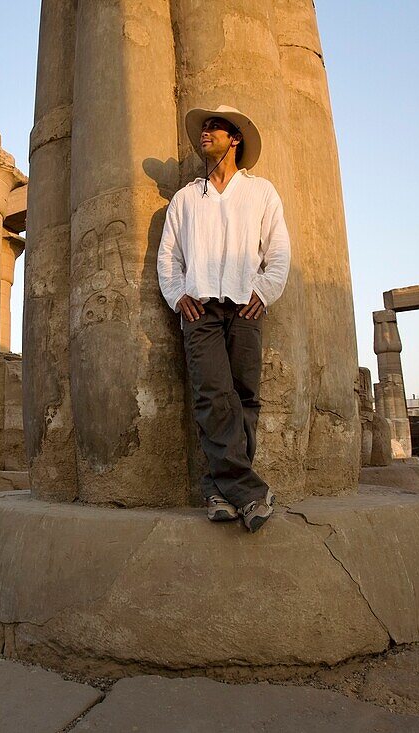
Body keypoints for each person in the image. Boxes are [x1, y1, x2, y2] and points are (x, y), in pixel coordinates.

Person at [156, 105, 291, 533]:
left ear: (235, 139)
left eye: (214, 127)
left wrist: (264, 291)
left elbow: (279, 252)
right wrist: (178, 296)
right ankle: (250, 494)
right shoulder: (185, 198)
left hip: (246, 306)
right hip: (201, 312)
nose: (205, 133)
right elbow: (168, 258)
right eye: (204, 128)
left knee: (244, 397)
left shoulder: (262, 192)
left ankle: (218, 490)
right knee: (212, 396)